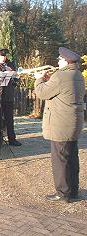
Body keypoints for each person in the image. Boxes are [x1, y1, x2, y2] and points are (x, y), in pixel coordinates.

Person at [34, 47, 85, 203]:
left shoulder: (61, 76)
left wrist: (39, 78)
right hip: (73, 122)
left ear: (66, 61)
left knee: (60, 160)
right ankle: (73, 190)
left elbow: (42, 93)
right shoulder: (77, 75)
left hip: (60, 124)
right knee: (71, 158)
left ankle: (63, 193)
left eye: (59, 59)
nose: (57, 61)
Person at [0, 48, 22, 146]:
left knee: (9, 118)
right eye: (1, 56)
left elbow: (16, 78)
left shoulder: (10, 64)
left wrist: (13, 74)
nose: (3, 58)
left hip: (9, 94)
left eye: (4, 56)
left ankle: (12, 139)